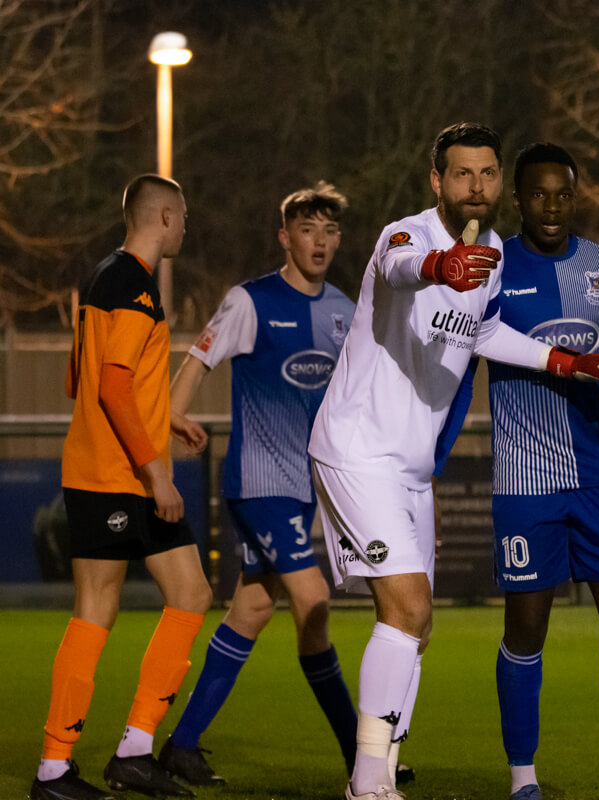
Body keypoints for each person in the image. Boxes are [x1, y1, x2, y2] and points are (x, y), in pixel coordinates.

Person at [305, 123, 599, 800]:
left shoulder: (495, 258)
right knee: (408, 607)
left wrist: (564, 360)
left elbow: (481, 330)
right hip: (358, 450)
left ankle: (382, 767)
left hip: (410, 468)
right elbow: (399, 268)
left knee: (418, 626)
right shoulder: (408, 235)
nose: (474, 186)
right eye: (461, 174)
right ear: (436, 182)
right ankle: (367, 782)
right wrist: (438, 266)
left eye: (485, 174)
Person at [157, 182, 420, 787]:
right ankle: (363, 757)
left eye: (330, 231)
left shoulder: (342, 311)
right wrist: (173, 414)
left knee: (250, 610)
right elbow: (198, 359)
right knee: (315, 601)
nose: (320, 241)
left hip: (307, 490)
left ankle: (181, 745)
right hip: (259, 483)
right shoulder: (250, 301)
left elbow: (360, 392)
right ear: (285, 237)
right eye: (308, 230)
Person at [445, 142, 599, 800]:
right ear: (517, 200)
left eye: (562, 194)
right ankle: (523, 780)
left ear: (576, 196)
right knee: (524, 630)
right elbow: (462, 364)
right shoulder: (491, 269)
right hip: (524, 484)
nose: (551, 205)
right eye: (538, 194)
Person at [32, 174, 211, 800]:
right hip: (115, 479)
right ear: (162, 217)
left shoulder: (102, 276)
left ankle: (134, 750)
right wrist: (156, 470)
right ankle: (54, 770)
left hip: (120, 472)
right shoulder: (133, 285)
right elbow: (108, 388)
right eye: (182, 215)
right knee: (96, 611)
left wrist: (166, 417)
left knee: (191, 594)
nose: (186, 226)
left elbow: (81, 382)